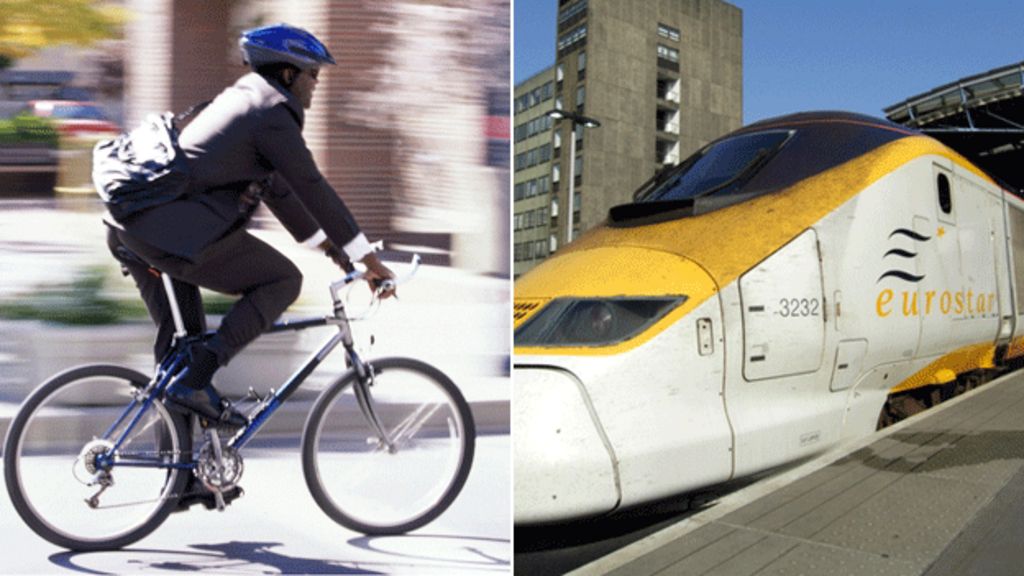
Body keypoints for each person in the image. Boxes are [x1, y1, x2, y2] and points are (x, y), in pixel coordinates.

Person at [106, 23, 395, 428]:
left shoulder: (243, 100)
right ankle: (196, 380)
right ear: (288, 73)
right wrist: (369, 258)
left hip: (138, 228)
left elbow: (278, 191)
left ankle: (183, 482)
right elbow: (311, 186)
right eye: (313, 74)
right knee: (281, 281)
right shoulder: (270, 113)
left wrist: (332, 250)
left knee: (182, 352)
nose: (316, 84)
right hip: (171, 235)